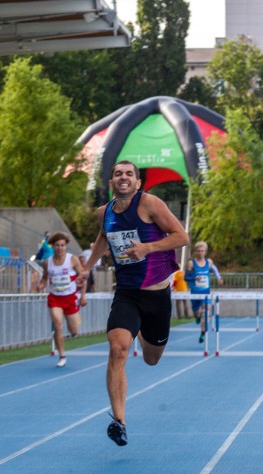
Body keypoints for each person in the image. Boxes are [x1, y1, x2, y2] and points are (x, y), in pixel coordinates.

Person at [80, 160, 188, 447]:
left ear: (137, 183)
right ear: (111, 183)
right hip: (127, 292)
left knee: (152, 358)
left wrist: (147, 247)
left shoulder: (150, 204)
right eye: (118, 174)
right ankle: (119, 421)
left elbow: (182, 237)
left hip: (156, 295)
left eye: (129, 174)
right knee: (117, 349)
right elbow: (104, 237)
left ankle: (141, 331)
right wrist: (87, 267)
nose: (123, 177)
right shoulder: (104, 213)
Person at [34, 232, 87, 367]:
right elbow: (45, 278)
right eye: (57, 245)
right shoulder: (47, 262)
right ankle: (62, 355)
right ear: (53, 246)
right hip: (55, 298)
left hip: (70, 298)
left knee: (74, 331)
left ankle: (75, 323)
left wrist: (83, 296)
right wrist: (40, 286)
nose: (60, 248)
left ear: (66, 246)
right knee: (57, 325)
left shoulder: (72, 259)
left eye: (62, 245)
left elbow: (83, 276)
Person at [184, 241, 223, 342]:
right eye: (198, 251)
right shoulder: (191, 263)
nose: (200, 252)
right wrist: (194, 279)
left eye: (202, 251)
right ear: (196, 252)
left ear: (205, 252)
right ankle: (197, 316)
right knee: (196, 312)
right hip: (195, 293)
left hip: (206, 293)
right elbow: (186, 278)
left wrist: (219, 278)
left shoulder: (209, 262)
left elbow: (214, 270)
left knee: (206, 310)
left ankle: (202, 333)